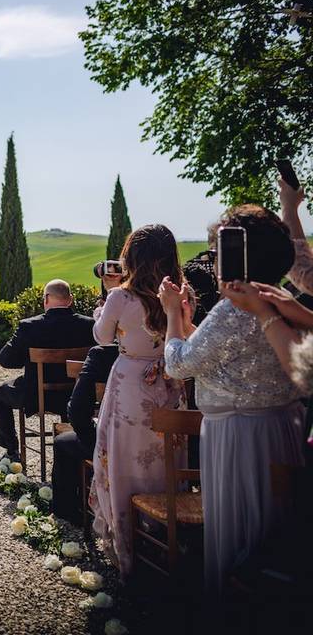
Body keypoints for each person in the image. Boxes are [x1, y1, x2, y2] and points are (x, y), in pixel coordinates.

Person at [161, 203, 306, 594]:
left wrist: (173, 314)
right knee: (282, 533)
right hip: (286, 429)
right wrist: (192, 322)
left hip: (238, 438)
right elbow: (222, 353)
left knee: (241, 532)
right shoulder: (284, 299)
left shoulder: (232, 307)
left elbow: (178, 364)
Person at [88, 224, 189, 576]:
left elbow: (101, 338)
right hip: (170, 381)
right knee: (166, 456)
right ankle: (169, 538)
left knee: (124, 460)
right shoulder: (181, 293)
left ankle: (129, 545)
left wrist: (104, 304)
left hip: (130, 383)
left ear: (131, 256)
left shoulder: (120, 296)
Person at [0, 279, 96, 462]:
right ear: (70, 300)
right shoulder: (90, 325)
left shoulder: (29, 326)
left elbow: (6, 360)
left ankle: (12, 451)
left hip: (35, 397)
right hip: (75, 397)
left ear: (46, 299)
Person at [51, 344, 118, 523]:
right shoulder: (180, 349)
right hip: (173, 452)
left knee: (62, 442)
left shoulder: (104, 355)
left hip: (117, 445)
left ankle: (70, 510)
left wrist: (94, 440)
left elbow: (77, 412)